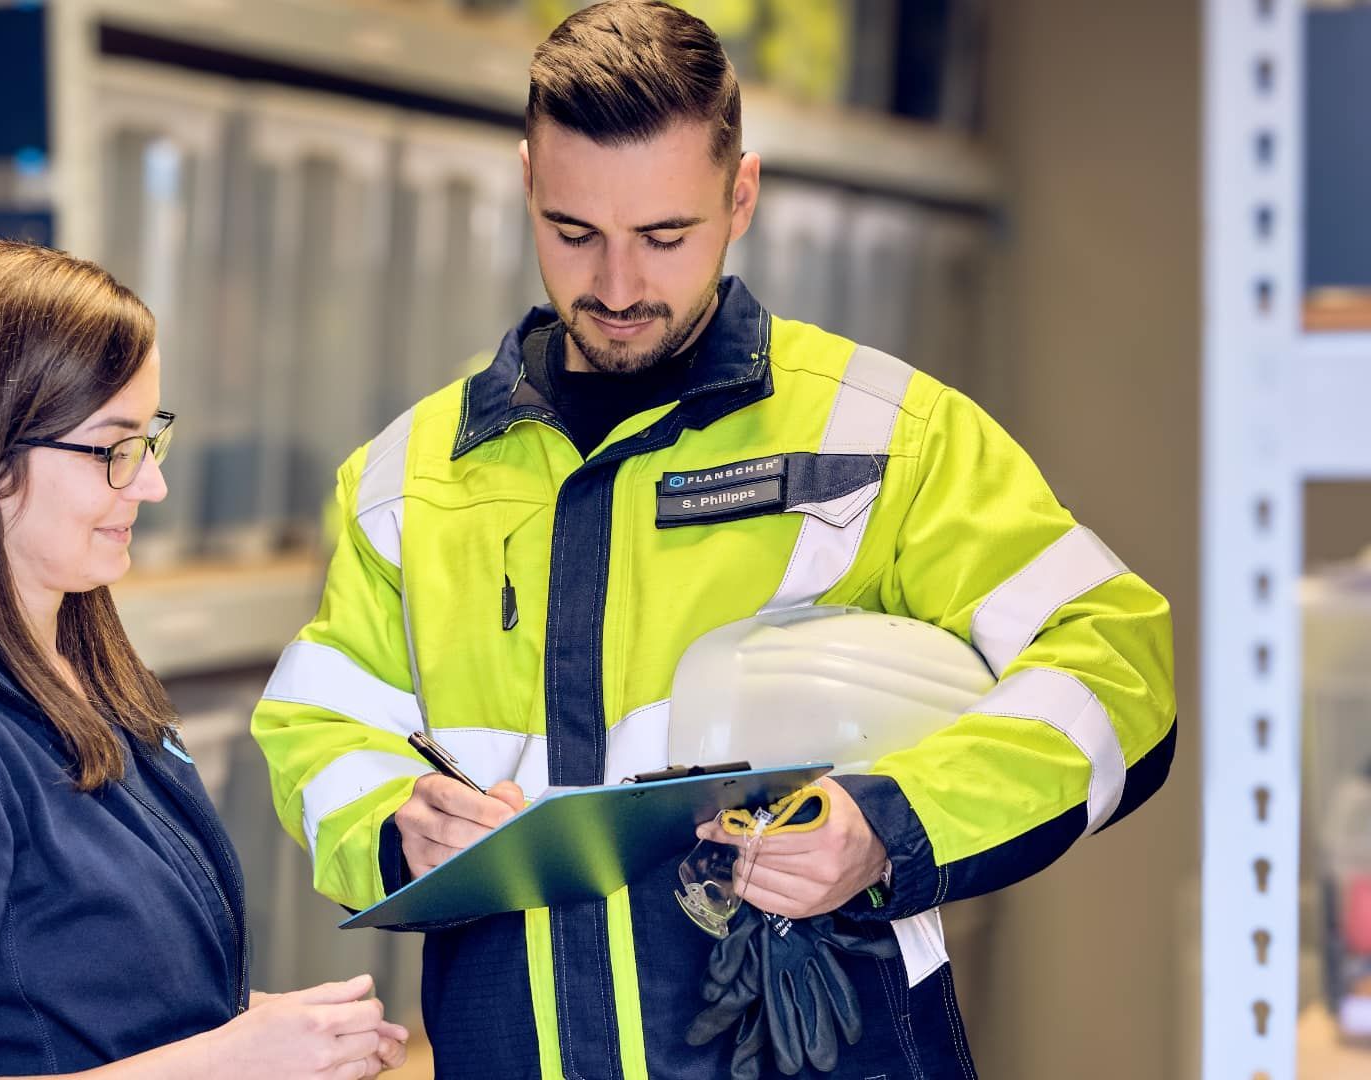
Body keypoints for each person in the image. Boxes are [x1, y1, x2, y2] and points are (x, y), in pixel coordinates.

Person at [249, 3, 1176, 1078]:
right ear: (525, 183)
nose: (618, 286)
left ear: (741, 196)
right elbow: (319, 726)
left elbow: (1112, 657)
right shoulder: (405, 480)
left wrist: (891, 823)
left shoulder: (881, 436)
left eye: (664, 236)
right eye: (573, 232)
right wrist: (399, 820)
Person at [0, 237, 410, 1080]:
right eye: (113, 446)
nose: (149, 484)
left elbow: (80, 1004)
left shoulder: (79, 668)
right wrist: (230, 1063)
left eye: (150, 436)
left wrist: (265, 1032)